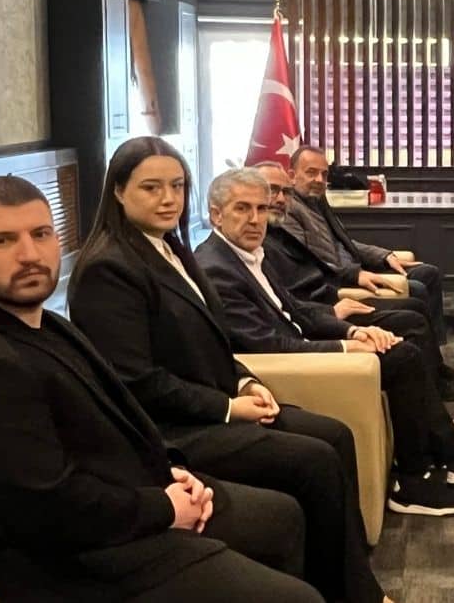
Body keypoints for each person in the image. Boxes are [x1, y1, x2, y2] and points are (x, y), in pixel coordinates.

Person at [0, 176, 326, 602]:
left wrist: (170, 471)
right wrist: (164, 507)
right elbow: (46, 506)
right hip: (74, 564)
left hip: (125, 500)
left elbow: (119, 419)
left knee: (281, 516)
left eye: (40, 234)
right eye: (2, 241)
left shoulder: (47, 322)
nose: (29, 254)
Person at [66, 137, 384, 602]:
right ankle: (353, 594)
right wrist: (229, 407)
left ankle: (346, 583)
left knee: (334, 435)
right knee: (313, 460)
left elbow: (215, 340)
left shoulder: (171, 248)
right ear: (118, 191)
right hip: (174, 430)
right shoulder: (108, 269)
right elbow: (137, 382)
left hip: (214, 403)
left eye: (177, 186)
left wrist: (246, 380)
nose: (168, 198)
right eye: (151, 187)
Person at [194, 168, 454, 515]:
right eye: (242, 208)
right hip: (286, 366)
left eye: (261, 209)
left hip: (302, 343)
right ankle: (422, 477)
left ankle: (443, 464)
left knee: (399, 348)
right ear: (216, 214)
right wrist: (345, 347)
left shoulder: (249, 253)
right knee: (402, 356)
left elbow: (294, 310)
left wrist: (352, 331)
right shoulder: (217, 269)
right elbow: (269, 344)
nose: (255, 219)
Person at [254, 161, 454, 403]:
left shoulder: (306, 208)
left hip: (328, 295)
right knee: (413, 316)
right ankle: (435, 387)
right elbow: (309, 274)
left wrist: (383, 256)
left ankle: (436, 374)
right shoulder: (268, 234)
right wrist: (347, 284)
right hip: (327, 299)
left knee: (421, 291)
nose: (280, 199)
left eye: (284, 192)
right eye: (272, 190)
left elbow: (343, 243)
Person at [280, 146, 451, 346]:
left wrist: (384, 256)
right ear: (292, 176)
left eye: (324, 174)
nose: (319, 180)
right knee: (417, 290)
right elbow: (310, 260)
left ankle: (436, 347)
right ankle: (429, 351)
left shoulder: (316, 200)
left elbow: (343, 242)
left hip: (353, 267)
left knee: (428, 273)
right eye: (311, 173)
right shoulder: (289, 210)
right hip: (337, 279)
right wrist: (354, 274)